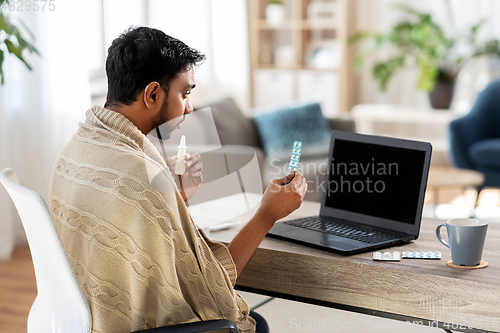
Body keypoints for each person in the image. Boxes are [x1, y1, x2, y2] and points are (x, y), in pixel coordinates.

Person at [50, 26, 307, 333]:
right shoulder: (141, 175)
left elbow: (131, 223)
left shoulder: (75, 148)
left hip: (81, 320)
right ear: (153, 94)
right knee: (254, 324)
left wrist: (175, 197)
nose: (190, 107)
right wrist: (267, 214)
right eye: (185, 93)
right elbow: (215, 288)